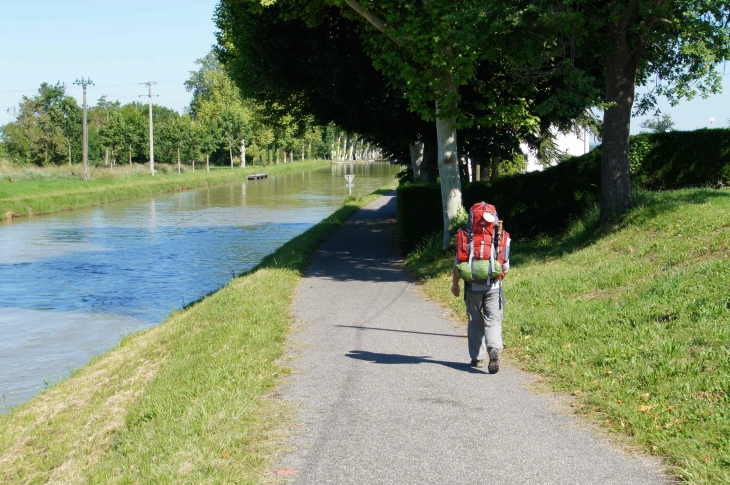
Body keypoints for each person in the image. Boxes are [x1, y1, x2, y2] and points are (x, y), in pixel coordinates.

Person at [451, 215, 509, 374]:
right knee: (493, 320)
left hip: (472, 287)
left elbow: (458, 264)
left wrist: (455, 284)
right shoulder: (500, 235)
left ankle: (477, 358)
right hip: (494, 286)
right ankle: (494, 348)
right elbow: (505, 267)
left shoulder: (465, 236)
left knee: (475, 320)